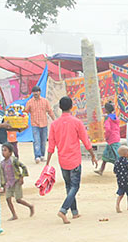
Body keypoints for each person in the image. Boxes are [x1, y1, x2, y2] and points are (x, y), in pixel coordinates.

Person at [46, 95, 96, 224]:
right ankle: (63, 210)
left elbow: (51, 145)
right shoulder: (77, 122)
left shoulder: (54, 124)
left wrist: (47, 162)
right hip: (74, 159)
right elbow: (86, 140)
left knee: (69, 186)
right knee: (75, 186)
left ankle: (75, 212)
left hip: (62, 160)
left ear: (60, 108)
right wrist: (92, 155)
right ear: (71, 107)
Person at [0, 141, 34, 220]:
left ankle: (30, 206)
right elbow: (2, 175)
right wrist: (4, 185)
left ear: (10, 152)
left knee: (18, 200)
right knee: (8, 199)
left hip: (16, 181)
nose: (3, 152)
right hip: (9, 184)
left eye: (5, 150)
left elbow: (23, 167)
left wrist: (22, 177)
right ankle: (14, 215)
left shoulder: (14, 160)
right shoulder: (2, 164)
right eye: (2, 150)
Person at [25, 84, 56, 163]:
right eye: (34, 92)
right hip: (35, 124)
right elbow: (25, 113)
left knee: (43, 140)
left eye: (37, 92)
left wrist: (55, 120)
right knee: (36, 140)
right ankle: (37, 156)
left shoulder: (45, 101)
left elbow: (50, 111)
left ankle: (42, 155)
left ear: (40, 92)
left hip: (44, 124)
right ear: (32, 93)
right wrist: (24, 123)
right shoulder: (29, 102)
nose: (35, 93)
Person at [95, 100, 122, 176]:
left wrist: (106, 137)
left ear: (106, 110)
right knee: (106, 155)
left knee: (118, 155)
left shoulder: (108, 118)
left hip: (111, 139)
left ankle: (124, 168)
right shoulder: (115, 117)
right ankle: (101, 170)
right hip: (116, 137)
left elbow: (108, 129)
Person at [114, 144, 128, 212]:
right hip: (127, 180)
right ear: (126, 154)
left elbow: (114, 171)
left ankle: (117, 205)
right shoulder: (126, 161)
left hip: (120, 180)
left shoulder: (117, 161)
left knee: (121, 193)